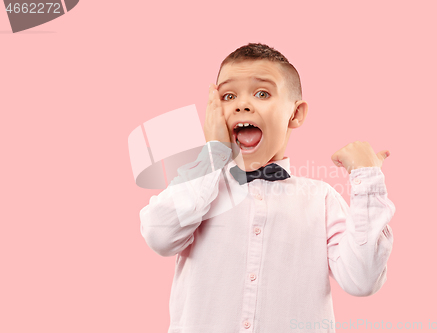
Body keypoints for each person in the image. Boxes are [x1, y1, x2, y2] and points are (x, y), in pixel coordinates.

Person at [140, 42, 395, 332]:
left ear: (295, 114)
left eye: (262, 93)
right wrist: (212, 155)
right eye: (228, 95)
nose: (242, 104)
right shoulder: (198, 190)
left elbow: (362, 279)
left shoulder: (320, 200)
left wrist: (367, 179)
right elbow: (159, 236)